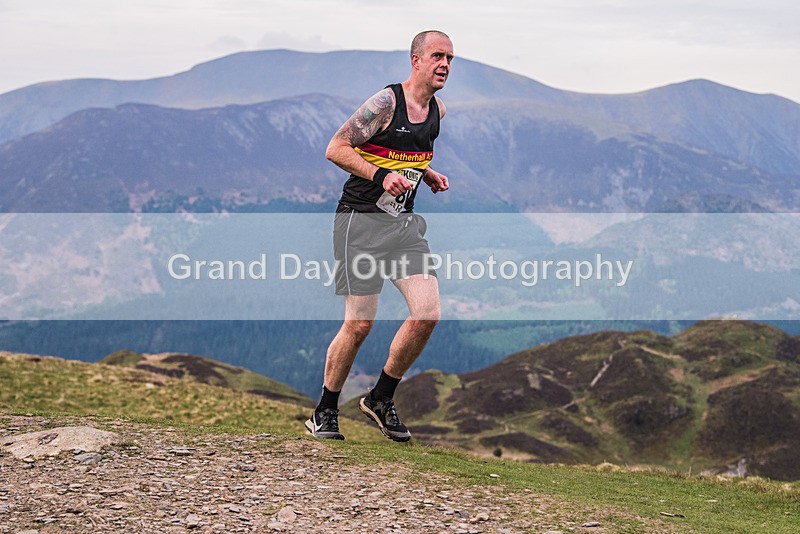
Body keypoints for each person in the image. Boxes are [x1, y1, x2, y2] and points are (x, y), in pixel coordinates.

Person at [305, 30, 454, 442]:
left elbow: (408, 153)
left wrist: (426, 173)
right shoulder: (385, 103)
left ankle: (380, 398)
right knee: (359, 324)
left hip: (403, 227)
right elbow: (336, 148)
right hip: (360, 223)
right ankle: (325, 409)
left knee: (427, 313)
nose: (444, 65)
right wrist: (380, 176)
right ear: (416, 60)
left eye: (450, 59)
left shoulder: (438, 109)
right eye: (437, 56)